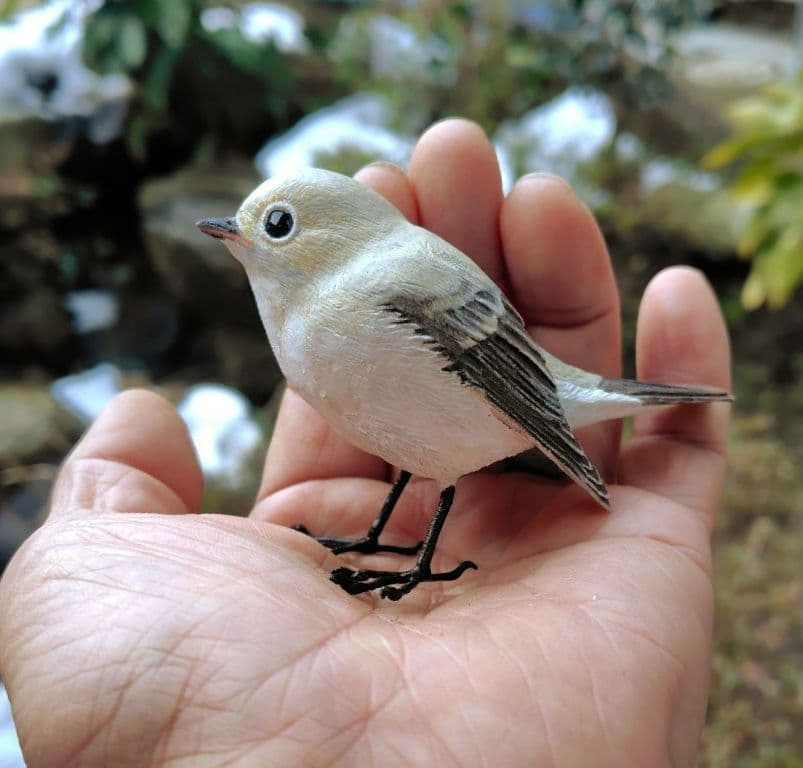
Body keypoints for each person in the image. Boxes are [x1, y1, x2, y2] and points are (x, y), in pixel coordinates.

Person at [0, 120, 730, 767]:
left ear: (329, 232)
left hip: (507, 398)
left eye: (276, 224)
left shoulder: (389, 283)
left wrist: (559, 437)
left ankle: (414, 567)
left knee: (437, 473)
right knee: (419, 464)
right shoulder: (306, 315)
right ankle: (383, 536)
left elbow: (503, 369)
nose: (244, 237)